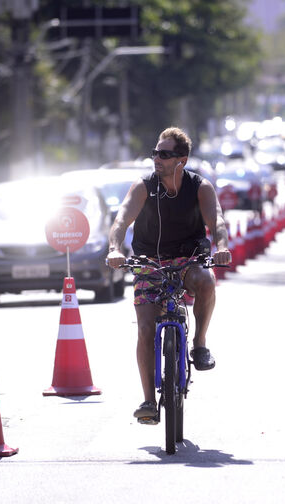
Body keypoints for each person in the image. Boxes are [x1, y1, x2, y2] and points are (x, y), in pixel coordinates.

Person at [105, 127, 232, 421]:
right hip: (150, 260)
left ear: (182, 160)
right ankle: (149, 401)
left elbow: (218, 221)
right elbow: (122, 219)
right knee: (146, 328)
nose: (157, 159)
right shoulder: (144, 186)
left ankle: (199, 344)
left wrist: (222, 246)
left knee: (206, 281)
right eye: (155, 153)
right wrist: (115, 248)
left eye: (164, 154)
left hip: (189, 257)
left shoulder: (200, 187)